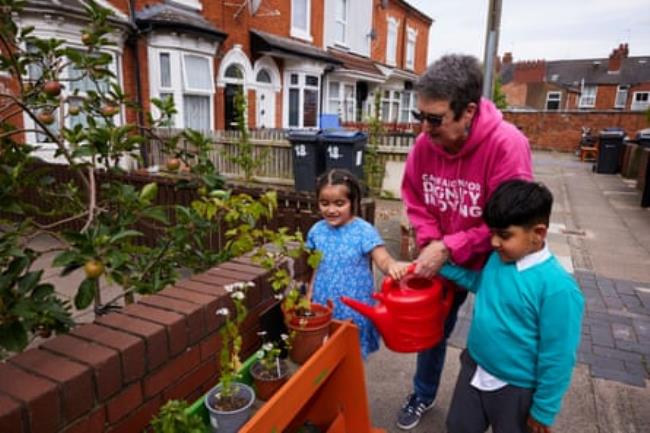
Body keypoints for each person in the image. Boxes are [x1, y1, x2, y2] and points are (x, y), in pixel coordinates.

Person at [398, 54, 533, 430]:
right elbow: (414, 197)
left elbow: (509, 221)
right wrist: (431, 242)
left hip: (496, 258)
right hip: (445, 254)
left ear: (468, 112)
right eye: (419, 116)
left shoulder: (508, 146)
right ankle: (423, 394)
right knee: (432, 328)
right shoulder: (425, 145)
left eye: (435, 118)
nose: (424, 128)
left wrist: (449, 245)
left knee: (496, 335)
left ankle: (499, 405)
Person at [441, 180, 584, 433]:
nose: (494, 242)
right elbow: (483, 283)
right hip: (474, 367)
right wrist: (444, 269)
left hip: (516, 389)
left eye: (504, 235)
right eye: (492, 232)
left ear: (538, 233)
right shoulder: (500, 258)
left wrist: (544, 409)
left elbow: (558, 356)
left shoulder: (558, 289)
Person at [307, 168, 408, 359]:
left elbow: (382, 258)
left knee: (351, 355)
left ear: (353, 202)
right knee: (325, 352)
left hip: (355, 305)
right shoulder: (316, 231)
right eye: (324, 203)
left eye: (339, 203)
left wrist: (392, 266)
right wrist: (310, 291)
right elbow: (316, 265)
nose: (331, 210)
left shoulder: (363, 230)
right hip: (324, 301)